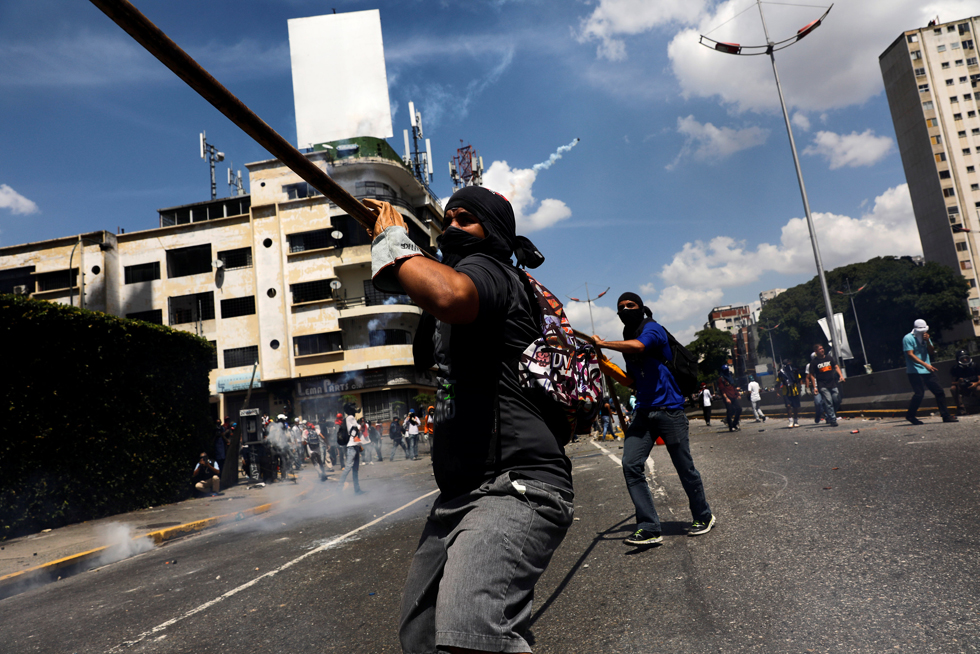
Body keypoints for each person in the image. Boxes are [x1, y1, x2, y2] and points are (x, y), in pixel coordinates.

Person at [364, 186, 574, 654]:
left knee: (474, 633)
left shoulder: (490, 270)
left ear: (493, 231)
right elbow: (427, 293)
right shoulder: (462, 283)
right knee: (423, 634)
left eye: (466, 220)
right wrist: (394, 247)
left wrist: (396, 239)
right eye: (449, 219)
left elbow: (449, 294)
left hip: (517, 485)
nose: (452, 228)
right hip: (460, 495)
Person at [593, 292, 715, 547]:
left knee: (684, 468)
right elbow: (631, 381)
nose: (626, 309)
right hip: (644, 412)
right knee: (630, 464)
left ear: (641, 307)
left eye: (631, 305)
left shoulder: (652, 329)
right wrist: (605, 365)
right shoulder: (628, 338)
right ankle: (649, 526)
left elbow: (640, 347)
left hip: (670, 409)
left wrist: (604, 344)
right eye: (621, 307)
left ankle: (703, 515)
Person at [903, 319, 958, 425]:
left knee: (939, 392)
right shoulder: (908, 338)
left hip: (928, 370)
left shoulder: (926, 337)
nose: (922, 332)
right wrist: (925, 365)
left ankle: (945, 416)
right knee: (919, 394)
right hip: (915, 371)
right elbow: (910, 354)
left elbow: (931, 352)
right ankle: (910, 415)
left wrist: (928, 341)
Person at [808, 344, 844, 427]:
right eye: (820, 349)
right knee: (829, 401)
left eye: (822, 348)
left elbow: (836, 366)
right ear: (816, 351)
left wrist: (841, 376)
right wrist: (815, 387)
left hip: (833, 383)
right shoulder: (814, 362)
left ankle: (830, 414)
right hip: (822, 385)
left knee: (837, 400)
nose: (822, 350)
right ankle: (833, 419)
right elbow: (812, 375)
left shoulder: (829, 358)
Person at [337, 409, 364, 494]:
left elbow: (354, 432)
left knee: (354, 469)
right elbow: (357, 429)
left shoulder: (348, 419)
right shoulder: (351, 418)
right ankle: (339, 487)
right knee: (349, 467)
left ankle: (357, 490)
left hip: (354, 445)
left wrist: (359, 445)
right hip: (352, 446)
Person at [950, 349, 980, 415]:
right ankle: (961, 409)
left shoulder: (975, 365)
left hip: (974, 385)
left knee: (979, 389)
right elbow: (953, 382)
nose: (965, 360)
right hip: (962, 387)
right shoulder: (955, 368)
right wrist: (959, 382)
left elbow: (979, 378)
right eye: (962, 359)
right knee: (953, 388)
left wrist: (976, 383)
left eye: (966, 358)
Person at [777, 358, 803, 428]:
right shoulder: (781, 373)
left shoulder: (794, 370)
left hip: (795, 390)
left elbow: (799, 379)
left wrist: (802, 388)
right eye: (787, 363)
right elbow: (778, 382)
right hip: (786, 392)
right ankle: (790, 421)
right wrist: (777, 392)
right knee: (788, 406)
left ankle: (796, 421)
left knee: (795, 407)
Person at [717, 365, 741, 432]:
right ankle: (731, 427)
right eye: (725, 370)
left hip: (733, 396)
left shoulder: (730, 377)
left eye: (727, 370)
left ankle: (735, 424)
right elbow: (722, 390)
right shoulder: (721, 379)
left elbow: (733, 387)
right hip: (727, 397)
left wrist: (738, 394)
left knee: (739, 409)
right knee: (730, 411)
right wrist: (726, 398)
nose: (726, 371)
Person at [804, 356, 824, 424]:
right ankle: (818, 414)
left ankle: (828, 417)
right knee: (818, 402)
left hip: (824, 385)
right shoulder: (809, 366)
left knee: (827, 402)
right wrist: (807, 388)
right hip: (815, 386)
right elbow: (807, 377)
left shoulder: (823, 363)